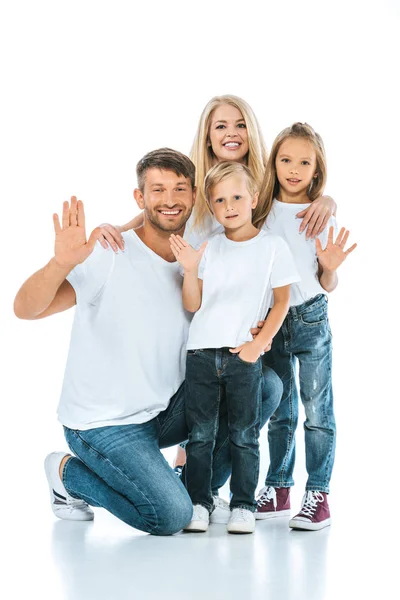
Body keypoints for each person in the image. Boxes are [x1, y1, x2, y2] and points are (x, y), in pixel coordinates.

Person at [13, 148, 283, 534]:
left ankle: (198, 492)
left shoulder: (201, 258)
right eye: (157, 190)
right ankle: (66, 474)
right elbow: (25, 309)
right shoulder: (110, 252)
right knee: (170, 516)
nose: (169, 200)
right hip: (103, 423)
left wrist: (257, 333)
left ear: (194, 196)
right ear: (140, 199)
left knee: (264, 384)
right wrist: (61, 263)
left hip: (166, 408)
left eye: (179, 189)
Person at [93, 95, 338, 473]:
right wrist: (117, 229)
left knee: (259, 393)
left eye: (240, 124)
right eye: (220, 126)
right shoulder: (194, 182)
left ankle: (213, 484)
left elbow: (295, 199)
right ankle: (185, 469)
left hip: (245, 315)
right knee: (195, 394)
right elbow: (158, 210)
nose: (231, 133)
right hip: (192, 302)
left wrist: (329, 201)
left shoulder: (261, 183)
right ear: (207, 136)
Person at [169, 162, 299, 534]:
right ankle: (199, 502)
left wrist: (257, 346)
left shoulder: (273, 247)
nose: (229, 206)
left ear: (253, 198)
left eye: (237, 197)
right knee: (201, 435)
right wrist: (191, 270)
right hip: (201, 354)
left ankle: (243, 504)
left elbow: (282, 301)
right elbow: (192, 304)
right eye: (220, 200)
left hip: (243, 355)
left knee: (244, 434)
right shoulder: (208, 249)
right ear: (211, 207)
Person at [253, 123, 357, 530]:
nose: (293, 170)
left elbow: (326, 280)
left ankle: (319, 494)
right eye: (285, 160)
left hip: (311, 316)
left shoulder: (319, 212)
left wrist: (330, 270)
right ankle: (278, 487)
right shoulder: (259, 208)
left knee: (317, 410)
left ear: (317, 170)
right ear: (273, 163)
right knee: (280, 411)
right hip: (273, 320)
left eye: (304, 162)